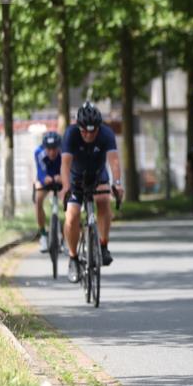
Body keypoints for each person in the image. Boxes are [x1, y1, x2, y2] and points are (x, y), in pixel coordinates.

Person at [61, 102, 124, 283]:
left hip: (97, 175)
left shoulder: (106, 133)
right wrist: (66, 187)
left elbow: (114, 162)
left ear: (99, 127)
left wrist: (118, 184)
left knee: (104, 199)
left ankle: (103, 245)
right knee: (72, 216)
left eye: (93, 131)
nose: (88, 135)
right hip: (76, 178)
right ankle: (73, 259)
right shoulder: (71, 134)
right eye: (84, 131)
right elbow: (65, 164)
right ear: (78, 127)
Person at [33, 131, 63, 253]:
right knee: (38, 199)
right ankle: (43, 235)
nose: (51, 152)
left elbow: (68, 168)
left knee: (70, 203)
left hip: (60, 176)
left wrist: (62, 177)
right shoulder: (38, 152)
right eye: (49, 149)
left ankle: (64, 238)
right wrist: (44, 178)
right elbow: (40, 171)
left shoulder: (64, 153)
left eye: (54, 149)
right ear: (44, 148)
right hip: (46, 177)